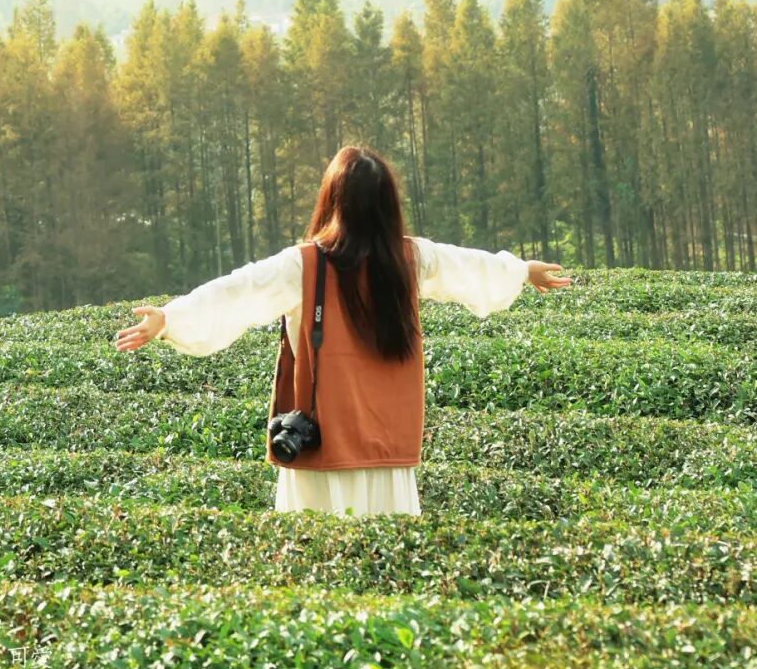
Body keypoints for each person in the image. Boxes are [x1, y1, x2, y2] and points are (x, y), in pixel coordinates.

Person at [113, 144, 572, 516]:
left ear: (333, 201)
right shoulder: (409, 259)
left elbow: (239, 291)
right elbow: (468, 266)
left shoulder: (305, 265)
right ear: (388, 206)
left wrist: (170, 319)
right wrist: (521, 271)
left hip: (324, 447)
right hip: (388, 449)